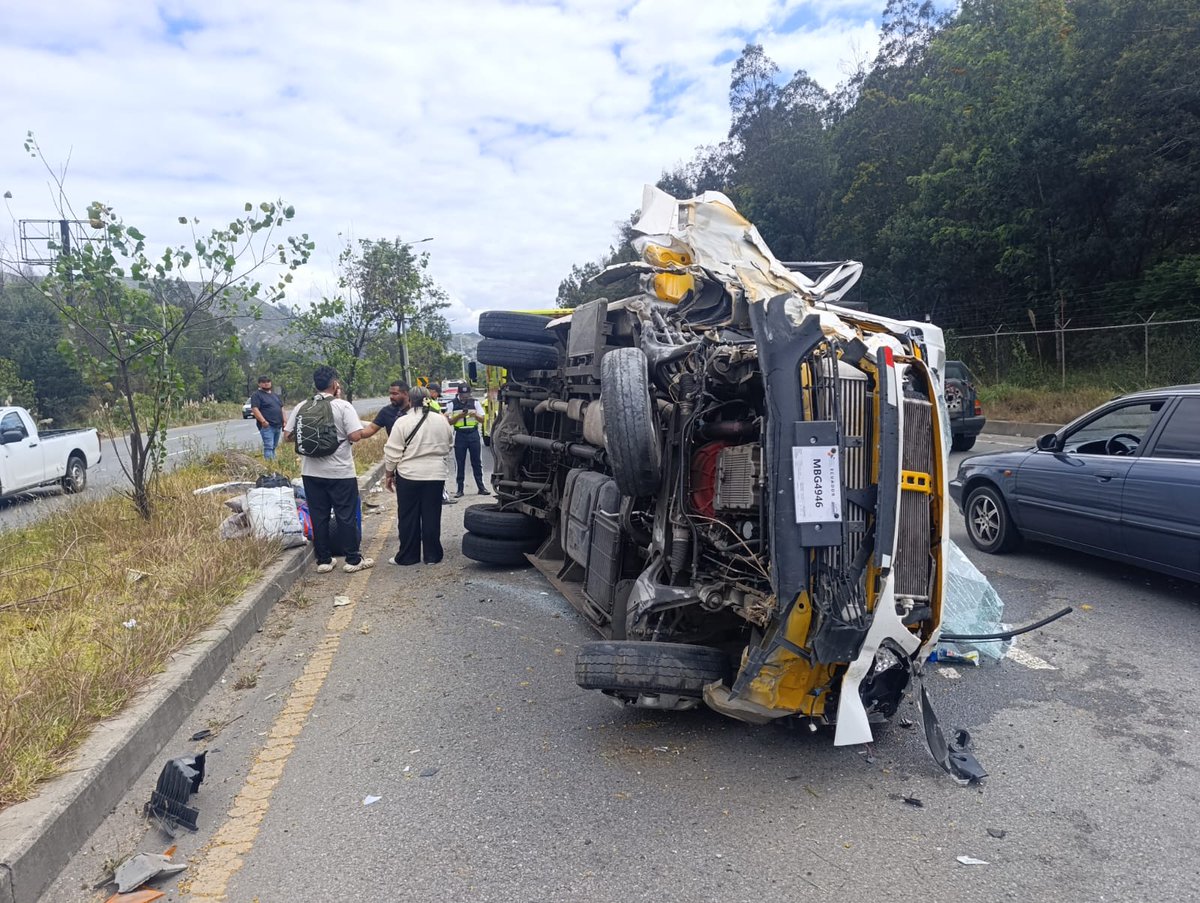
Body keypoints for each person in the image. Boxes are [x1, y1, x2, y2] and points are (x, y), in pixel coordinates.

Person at [283, 366, 374, 574]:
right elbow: (355, 436)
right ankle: (352, 559)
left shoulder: (301, 406)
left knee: (318, 515)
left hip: (311, 472)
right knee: (345, 515)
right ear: (335, 384)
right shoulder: (343, 406)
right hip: (340, 472)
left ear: (315, 385)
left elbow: (287, 436)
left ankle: (324, 560)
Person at [382, 386, 455, 565]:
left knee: (408, 517)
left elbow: (392, 452)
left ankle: (408, 556)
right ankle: (432, 556)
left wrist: (389, 474)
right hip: (436, 475)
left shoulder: (402, 422)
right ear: (428, 399)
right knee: (432, 515)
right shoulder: (441, 421)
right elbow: (449, 445)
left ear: (410, 400)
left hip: (409, 475)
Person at [449, 385, 490, 497]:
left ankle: (481, 487)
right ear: (459, 394)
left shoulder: (475, 403)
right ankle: (460, 489)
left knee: (477, 462)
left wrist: (475, 415)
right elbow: (449, 422)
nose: (465, 398)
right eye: (463, 395)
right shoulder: (452, 404)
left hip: (473, 434)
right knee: (460, 462)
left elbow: (482, 420)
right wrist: (459, 416)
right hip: (460, 434)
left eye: (467, 395)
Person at [249, 375, 286, 460]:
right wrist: (263, 421)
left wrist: (284, 421)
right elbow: (255, 409)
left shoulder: (275, 395)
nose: (266, 384)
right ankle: (270, 465)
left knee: (274, 446)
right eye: (263, 382)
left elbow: (281, 408)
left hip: (278, 425)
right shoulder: (257, 395)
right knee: (269, 446)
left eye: (268, 382)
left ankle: (273, 465)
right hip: (267, 426)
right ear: (259, 384)